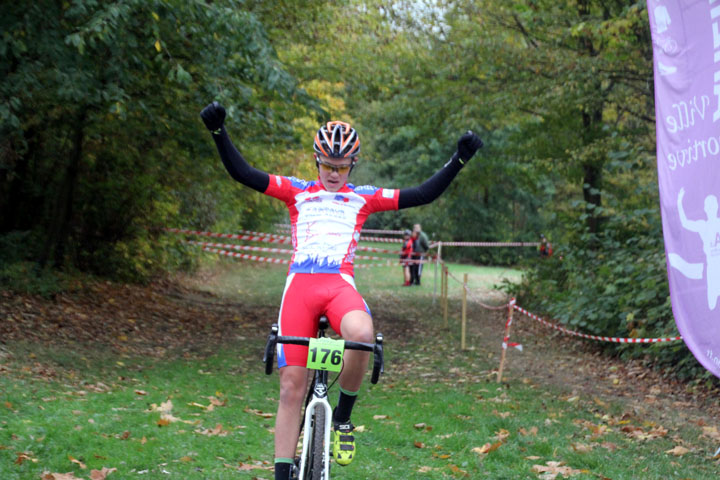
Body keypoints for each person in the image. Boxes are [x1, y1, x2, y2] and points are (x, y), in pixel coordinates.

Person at [200, 101, 483, 480]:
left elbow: (421, 194)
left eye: (342, 166)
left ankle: (343, 421)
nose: (334, 173)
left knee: (363, 335)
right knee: (291, 387)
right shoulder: (296, 191)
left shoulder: (362, 197)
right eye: (328, 165)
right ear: (316, 161)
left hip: (337, 284)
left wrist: (458, 160)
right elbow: (244, 174)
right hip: (300, 285)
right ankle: (283, 474)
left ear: (353, 165)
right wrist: (219, 133)